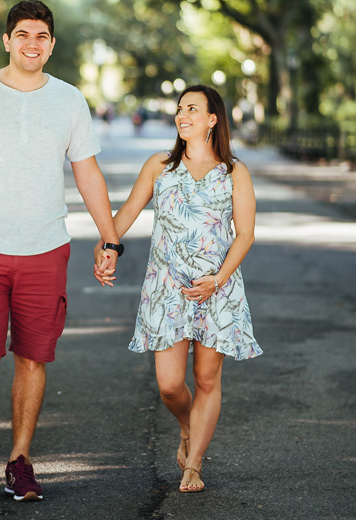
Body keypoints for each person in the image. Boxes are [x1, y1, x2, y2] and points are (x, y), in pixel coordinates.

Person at [0, 0, 122, 504]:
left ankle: (20, 461)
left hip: (46, 248)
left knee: (33, 360)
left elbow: (87, 174)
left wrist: (109, 239)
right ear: (6, 40)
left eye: (41, 36)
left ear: (52, 44)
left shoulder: (68, 100)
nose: (31, 44)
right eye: (22, 34)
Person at [95, 84, 262, 493]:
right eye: (179, 108)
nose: (182, 114)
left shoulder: (235, 171)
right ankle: (189, 426)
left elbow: (246, 235)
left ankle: (195, 464)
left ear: (212, 119)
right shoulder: (159, 166)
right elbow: (129, 210)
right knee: (170, 384)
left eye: (192, 108)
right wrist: (106, 246)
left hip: (217, 288)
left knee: (207, 379)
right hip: (166, 288)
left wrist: (218, 279)